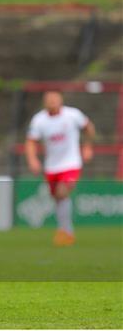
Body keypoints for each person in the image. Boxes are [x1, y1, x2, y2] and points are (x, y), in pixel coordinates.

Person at [25, 91, 95, 246]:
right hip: (52, 166)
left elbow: (89, 127)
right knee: (57, 197)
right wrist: (32, 159)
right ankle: (64, 230)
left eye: (55, 99)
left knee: (62, 192)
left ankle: (66, 232)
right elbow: (31, 142)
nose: (52, 102)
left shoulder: (73, 115)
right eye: (49, 100)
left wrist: (88, 147)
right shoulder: (39, 120)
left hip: (71, 163)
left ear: (61, 100)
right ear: (45, 102)